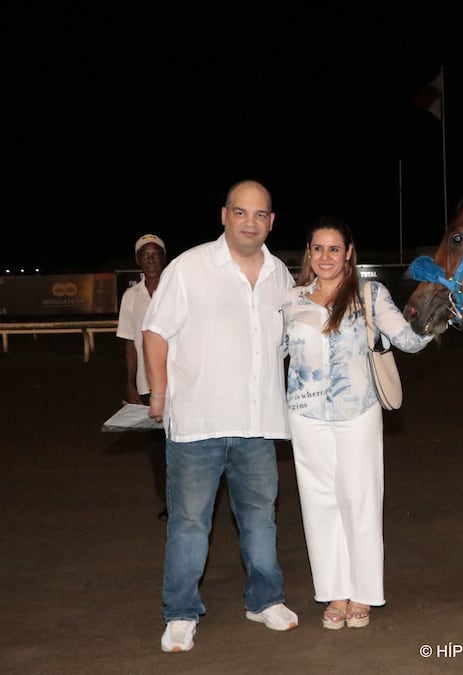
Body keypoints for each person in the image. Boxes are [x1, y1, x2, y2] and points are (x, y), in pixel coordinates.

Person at [142, 180, 298, 653]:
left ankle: (265, 600)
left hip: (257, 427)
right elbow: (155, 332)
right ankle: (181, 613)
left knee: (260, 520)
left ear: (271, 222)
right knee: (190, 524)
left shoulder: (281, 276)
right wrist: (159, 394)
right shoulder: (188, 268)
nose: (251, 222)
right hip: (197, 426)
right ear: (224, 216)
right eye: (241, 212)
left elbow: (292, 344)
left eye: (260, 214)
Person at [281, 217, 432, 630]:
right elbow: (267, 354)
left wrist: (438, 311)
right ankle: (335, 593)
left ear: (349, 252)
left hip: (357, 412)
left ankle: (364, 592)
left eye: (334, 248)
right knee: (318, 505)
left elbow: (410, 341)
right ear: (308, 255)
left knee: (360, 501)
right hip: (305, 416)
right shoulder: (291, 300)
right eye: (318, 249)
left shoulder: (369, 294)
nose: (325, 257)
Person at [116, 233, 169, 520]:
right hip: (147, 386)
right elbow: (129, 342)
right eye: (145, 256)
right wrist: (129, 380)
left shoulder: (175, 291)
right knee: (156, 448)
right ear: (138, 260)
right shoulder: (130, 297)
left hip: (178, 382)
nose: (150, 260)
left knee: (184, 445)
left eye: (155, 254)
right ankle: (167, 499)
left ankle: (186, 499)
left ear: (163, 257)